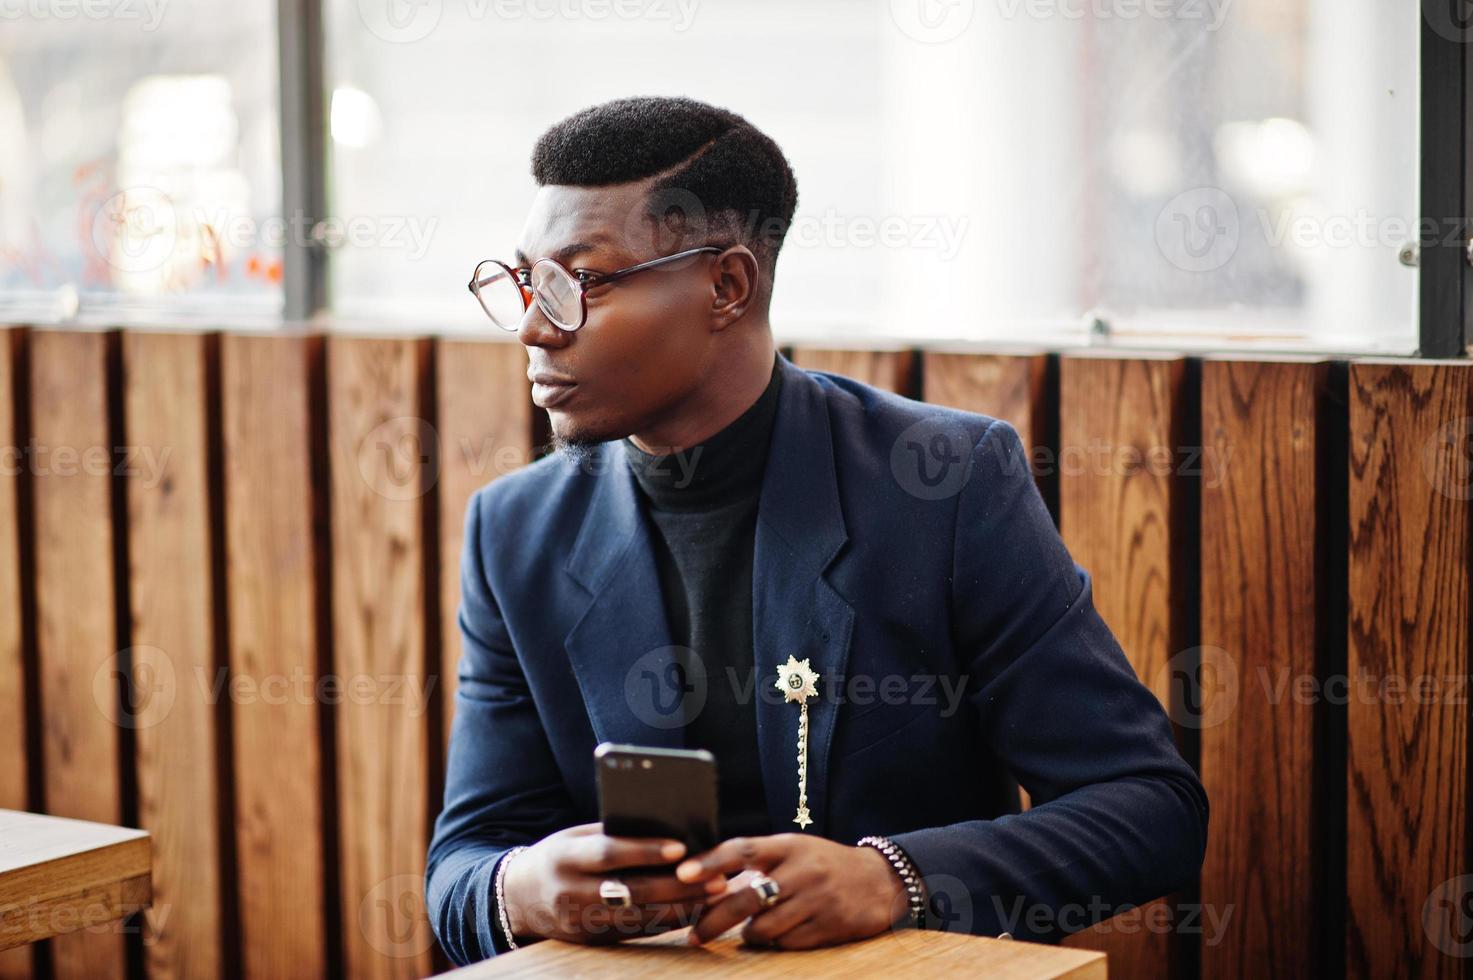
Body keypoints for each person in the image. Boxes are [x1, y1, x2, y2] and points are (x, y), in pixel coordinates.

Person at [426, 95, 1207, 965]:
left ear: (726, 286)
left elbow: (1148, 808)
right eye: (528, 281)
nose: (535, 324)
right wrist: (523, 887)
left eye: (583, 282)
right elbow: (463, 863)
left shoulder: (942, 485)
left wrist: (894, 879)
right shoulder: (517, 529)